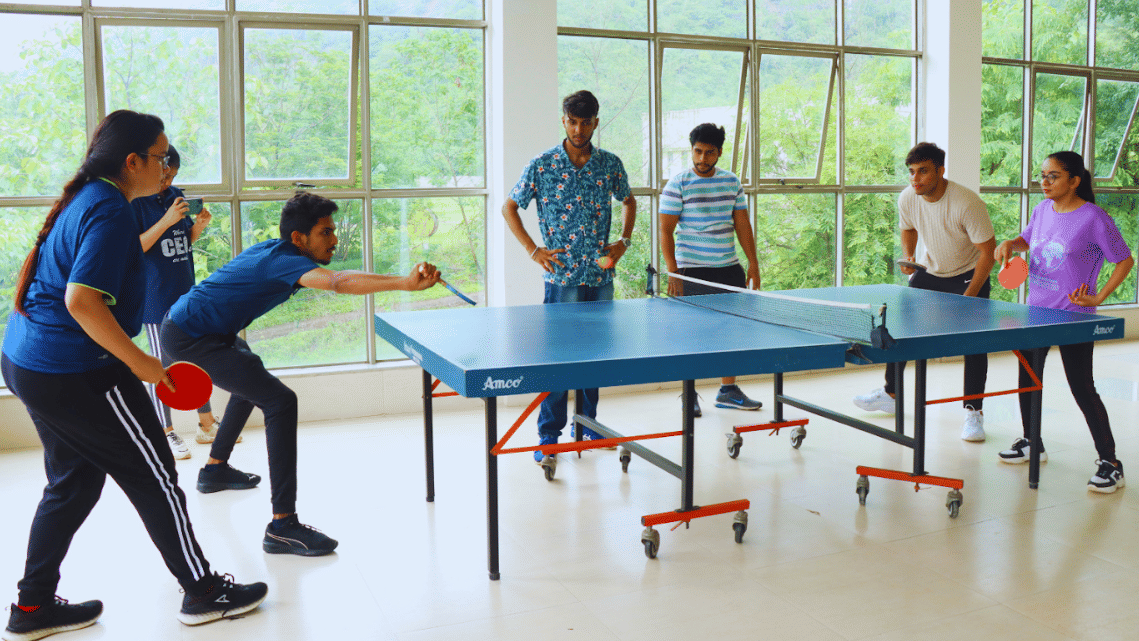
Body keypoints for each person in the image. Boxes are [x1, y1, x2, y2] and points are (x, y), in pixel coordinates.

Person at [1, 110, 266, 641]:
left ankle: (32, 607)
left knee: (73, 482)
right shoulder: (108, 209)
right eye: (162, 157)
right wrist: (143, 363)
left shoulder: (92, 197)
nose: (168, 166)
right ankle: (202, 591)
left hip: (28, 360)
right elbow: (81, 301)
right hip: (78, 370)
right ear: (132, 161)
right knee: (155, 474)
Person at [159, 192, 441, 556]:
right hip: (190, 335)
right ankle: (282, 526)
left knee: (250, 374)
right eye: (325, 232)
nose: (334, 239)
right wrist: (404, 283)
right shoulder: (282, 261)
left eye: (333, 230)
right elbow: (338, 281)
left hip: (201, 327)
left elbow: (337, 277)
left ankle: (214, 470)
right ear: (298, 238)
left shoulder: (278, 251)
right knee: (279, 400)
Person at [501, 89, 636, 462]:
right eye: (572, 122)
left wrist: (623, 242)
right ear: (563, 121)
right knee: (558, 360)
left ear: (595, 123)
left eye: (585, 123)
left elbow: (629, 200)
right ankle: (548, 437)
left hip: (600, 279)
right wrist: (533, 250)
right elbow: (509, 207)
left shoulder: (610, 164)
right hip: (562, 279)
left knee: (594, 358)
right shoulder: (542, 165)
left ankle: (588, 427)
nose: (578, 130)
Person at [994, 151, 1133, 493]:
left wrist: (1099, 298)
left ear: (1074, 181)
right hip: (1036, 312)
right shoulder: (1042, 209)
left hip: (1073, 317)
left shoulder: (1094, 217)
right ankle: (1032, 441)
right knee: (1027, 380)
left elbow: (1125, 260)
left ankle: (1111, 463)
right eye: (1042, 175)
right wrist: (1011, 243)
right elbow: (1028, 240)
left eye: (1052, 176)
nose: (1044, 182)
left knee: (1081, 387)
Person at [852, 142, 996, 442]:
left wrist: (970, 295)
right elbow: (908, 227)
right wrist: (909, 255)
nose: (915, 179)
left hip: (969, 275)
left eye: (923, 171)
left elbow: (988, 252)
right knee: (899, 328)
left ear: (940, 171)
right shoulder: (908, 197)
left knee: (974, 344)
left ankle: (974, 411)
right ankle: (891, 394)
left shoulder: (967, 203)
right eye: (911, 172)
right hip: (930, 272)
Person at [133, 145, 229, 461]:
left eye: (172, 176)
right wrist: (166, 220)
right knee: (162, 366)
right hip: (154, 298)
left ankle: (206, 424)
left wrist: (197, 227)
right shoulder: (135, 201)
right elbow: (135, 248)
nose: (167, 182)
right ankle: (165, 433)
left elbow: (181, 244)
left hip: (185, 296)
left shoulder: (175, 196)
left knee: (194, 361)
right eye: (163, 175)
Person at [660, 123, 763, 417]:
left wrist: (753, 263)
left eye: (709, 153)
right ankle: (689, 394)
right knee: (689, 335)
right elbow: (665, 231)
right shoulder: (678, 184)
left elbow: (742, 224)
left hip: (728, 269)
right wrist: (673, 272)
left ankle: (728, 390)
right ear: (692, 150)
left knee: (730, 333)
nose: (702, 159)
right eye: (697, 152)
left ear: (719, 153)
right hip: (691, 270)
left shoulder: (731, 182)